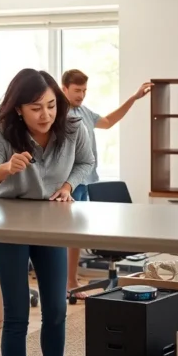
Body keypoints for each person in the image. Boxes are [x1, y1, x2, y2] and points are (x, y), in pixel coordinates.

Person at [0, 68, 94, 356]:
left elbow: (86, 163)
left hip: (50, 224)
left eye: (51, 105)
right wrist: (5, 168)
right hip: (9, 226)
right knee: (17, 316)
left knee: (56, 309)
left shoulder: (73, 127)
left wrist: (68, 186)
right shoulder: (3, 133)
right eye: (36, 108)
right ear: (19, 109)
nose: (46, 115)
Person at [60, 68, 152, 300]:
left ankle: (71, 281)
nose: (81, 95)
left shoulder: (83, 111)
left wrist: (134, 98)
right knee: (67, 235)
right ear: (64, 89)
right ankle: (67, 282)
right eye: (77, 90)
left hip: (86, 180)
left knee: (76, 236)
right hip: (68, 182)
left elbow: (109, 122)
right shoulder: (58, 113)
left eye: (84, 90)